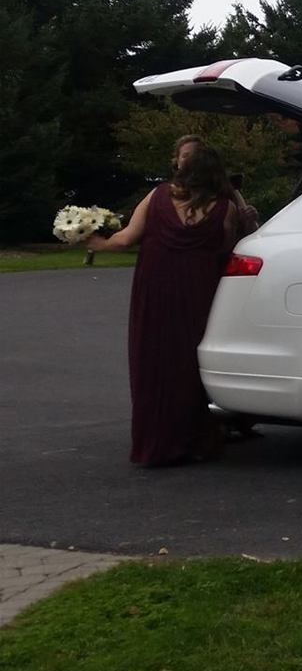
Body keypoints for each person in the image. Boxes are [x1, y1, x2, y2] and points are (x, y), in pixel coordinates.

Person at [88, 144, 245, 467]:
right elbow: (226, 248)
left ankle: (156, 443)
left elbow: (126, 238)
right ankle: (193, 439)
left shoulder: (158, 196)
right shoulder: (224, 208)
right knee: (189, 363)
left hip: (156, 289)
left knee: (153, 360)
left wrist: (97, 243)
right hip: (200, 292)